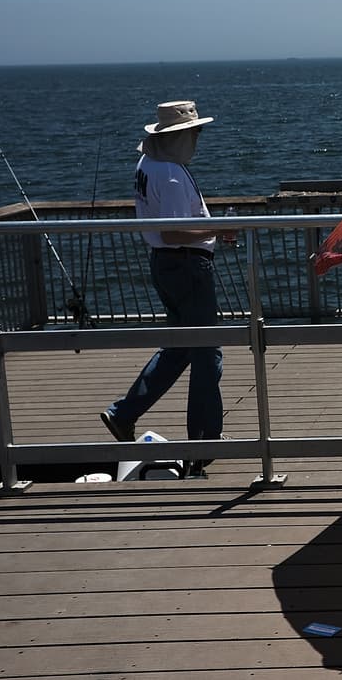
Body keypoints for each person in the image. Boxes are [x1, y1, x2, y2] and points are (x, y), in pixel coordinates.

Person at [100, 101, 225, 474]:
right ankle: (201, 446)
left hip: (166, 265)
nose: (198, 138)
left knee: (179, 348)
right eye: (195, 131)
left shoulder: (147, 164)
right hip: (187, 265)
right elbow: (173, 231)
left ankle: (124, 413)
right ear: (180, 136)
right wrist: (218, 229)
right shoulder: (169, 172)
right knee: (207, 354)